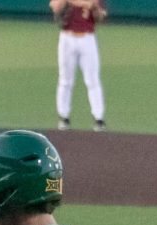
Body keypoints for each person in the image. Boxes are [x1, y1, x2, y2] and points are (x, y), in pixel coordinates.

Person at [49, 0, 107, 132]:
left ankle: (99, 118)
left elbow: (101, 17)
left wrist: (94, 8)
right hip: (67, 38)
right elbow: (54, 6)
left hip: (88, 38)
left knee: (92, 80)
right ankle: (64, 117)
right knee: (65, 79)